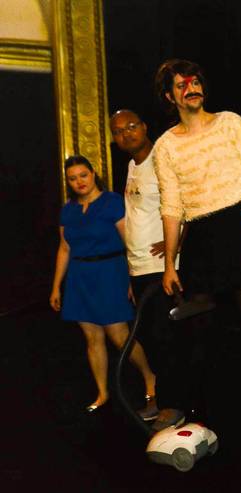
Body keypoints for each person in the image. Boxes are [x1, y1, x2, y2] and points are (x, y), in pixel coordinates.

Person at [152, 59, 241, 433]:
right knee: (197, 330)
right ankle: (202, 415)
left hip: (240, 225)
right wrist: (169, 264)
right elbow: (172, 207)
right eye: (182, 85)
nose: (192, 88)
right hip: (201, 238)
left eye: (196, 81)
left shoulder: (231, 122)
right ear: (170, 96)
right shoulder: (165, 145)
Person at [50, 155, 156, 413]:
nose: (79, 182)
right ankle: (102, 392)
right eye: (72, 178)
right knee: (92, 337)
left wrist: (131, 277)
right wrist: (55, 286)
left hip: (110, 272)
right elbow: (64, 248)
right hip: (79, 276)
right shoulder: (68, 209)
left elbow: (129, 241)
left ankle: (149, 377)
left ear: (93, 173)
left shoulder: (112, 202)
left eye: (83, 175)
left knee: (119, 336)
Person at [110, 109, 184, 429]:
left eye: (131, 126)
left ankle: (174, 405)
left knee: (165, 339)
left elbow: (185, 205)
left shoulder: (161, 160)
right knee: (150, 339)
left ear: (144, 126)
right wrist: (131, 270)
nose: (126, 134)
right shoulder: (132, 166)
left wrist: (175, 246)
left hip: (161, 268)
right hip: (139, 267)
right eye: (118, 131)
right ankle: (161, 399)